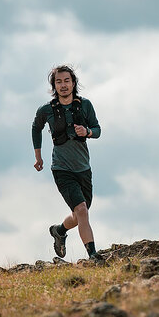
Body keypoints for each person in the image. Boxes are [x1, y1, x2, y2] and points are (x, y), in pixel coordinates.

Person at [32, 65, 104, 262]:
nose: (63, 85)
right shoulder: (47, 110)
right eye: (58, 81)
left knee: (81, 213)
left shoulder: (85, 105)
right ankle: (93, 256)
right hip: (61, 168)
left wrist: (87, 132)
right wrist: (38, 156)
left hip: (83, 168)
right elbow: (36, 127)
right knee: (81, 210)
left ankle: (59, 230)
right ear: (54, 85)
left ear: (73, 83)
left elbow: (97, 129)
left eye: (66, 81)